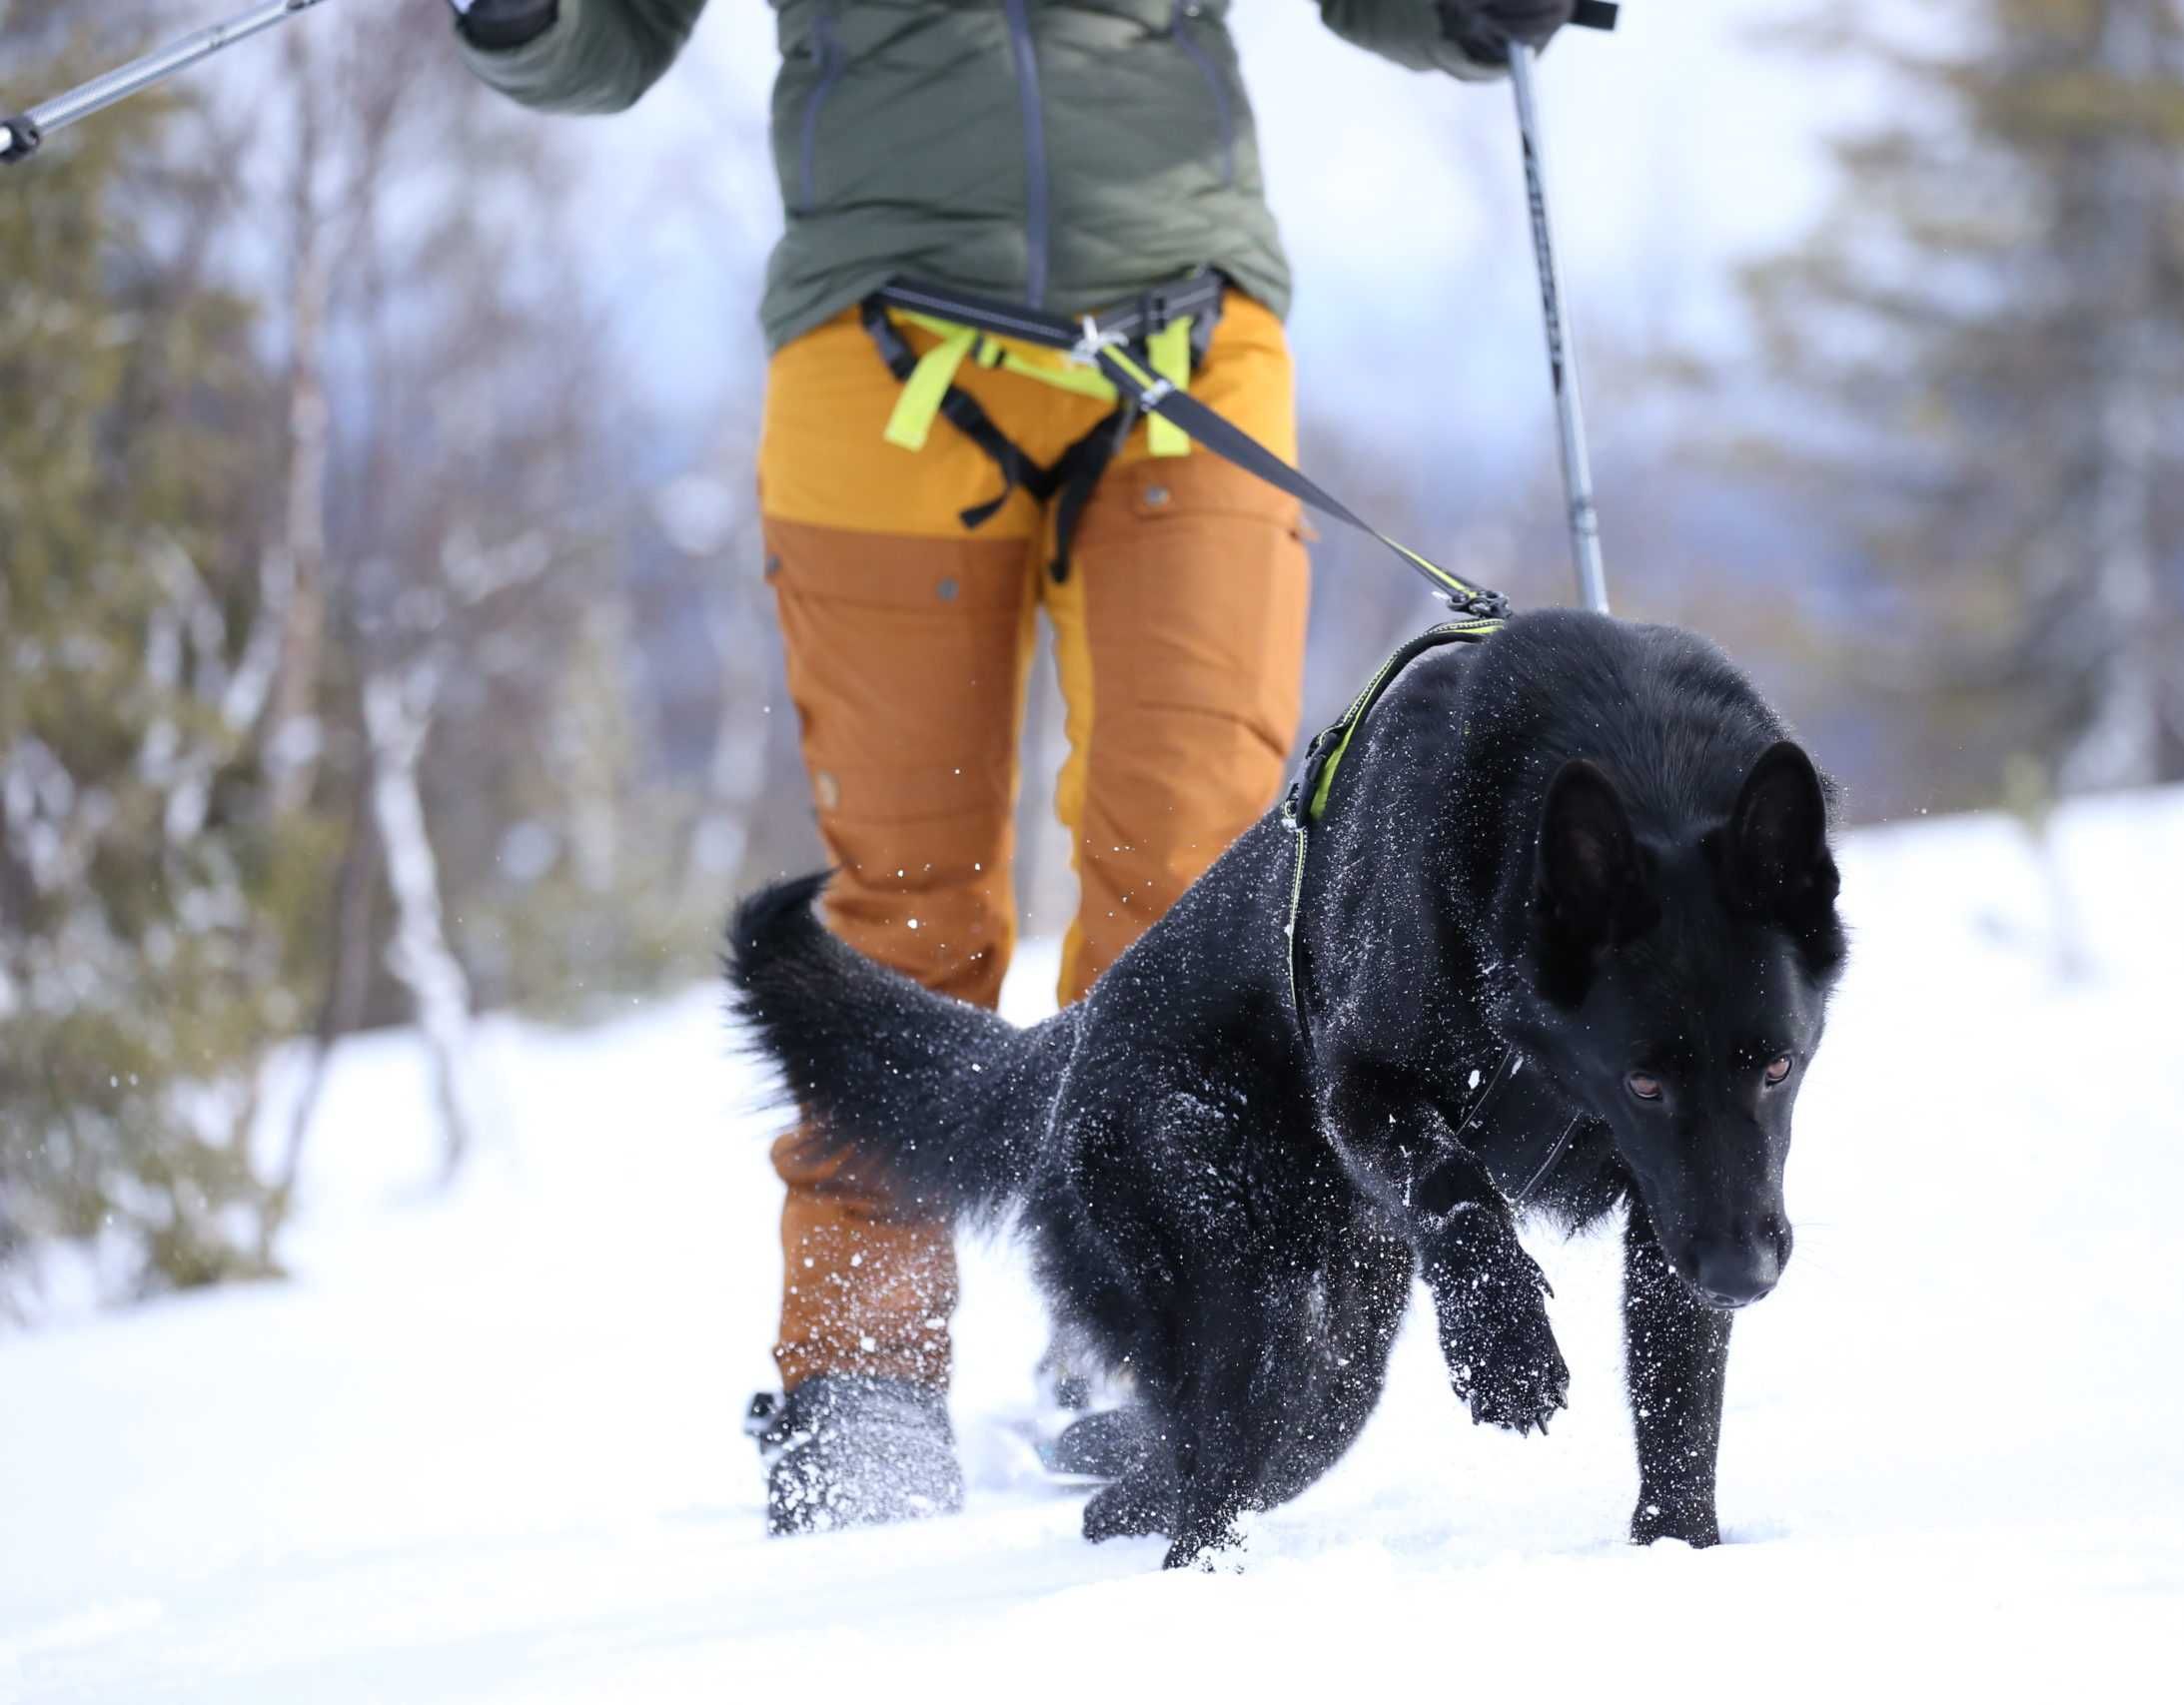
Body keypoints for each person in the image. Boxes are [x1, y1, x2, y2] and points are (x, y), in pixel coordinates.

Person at [450, 0, 1574, 1533]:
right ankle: (860, 1370)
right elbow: (606, 39)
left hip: (1185, 338)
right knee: (909, 903)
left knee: (1199, 893)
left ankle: (1152, 1317)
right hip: (884, 344)